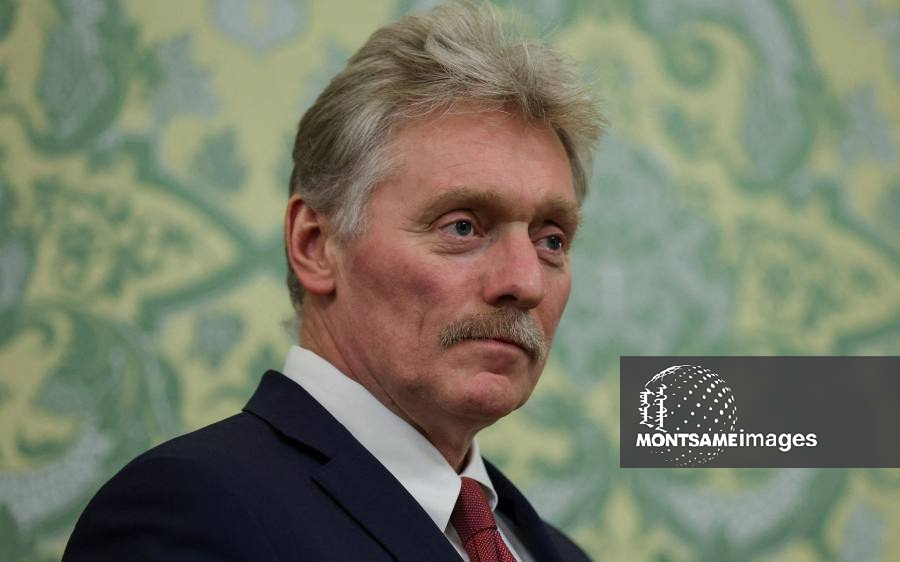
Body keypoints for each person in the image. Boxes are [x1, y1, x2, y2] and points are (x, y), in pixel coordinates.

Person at [63, 1, 602, 560]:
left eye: (551, 240)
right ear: (315, 246)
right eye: (462, 226)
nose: (526, 282)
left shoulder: (558, 552)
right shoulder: (188, 510)